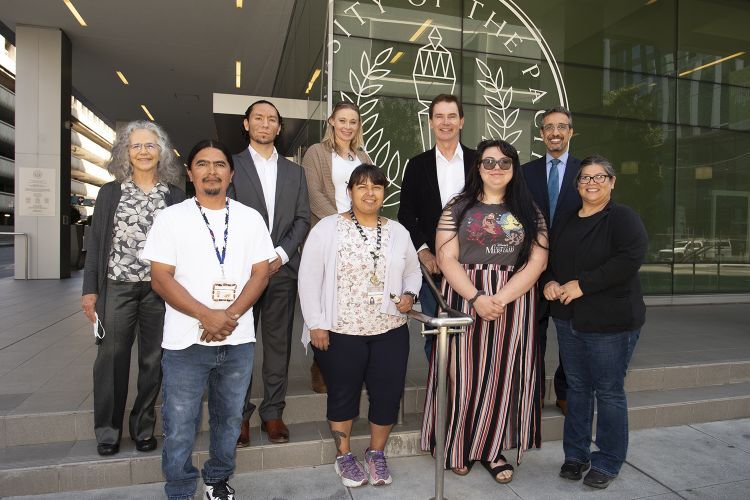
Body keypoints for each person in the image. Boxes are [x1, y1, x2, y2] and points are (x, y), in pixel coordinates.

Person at [143, 140, 275, 500]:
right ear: (190, 173)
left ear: (231, 175)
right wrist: (206, 315)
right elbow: (161, 278)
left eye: (219, 165)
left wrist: (228, 316)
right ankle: (182, 488)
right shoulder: (171, 218)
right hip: (185, 342)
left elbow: (260, 274)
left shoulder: (250, 218)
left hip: (237, 339)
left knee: (230, 420)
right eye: (202, 164)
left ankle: (217, 479)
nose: (211, 171)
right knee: (180, 424)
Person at [421, 139, 547, 484]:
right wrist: (477, 297)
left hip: (513, 300)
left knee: (501, 375)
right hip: (463, 297)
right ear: (478, 168)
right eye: (488, 162)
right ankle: (457, 444)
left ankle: (492, 449)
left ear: (513, 168)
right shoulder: (457, 207)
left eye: (504, 163)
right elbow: (446, 257)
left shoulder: (529, 210)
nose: (495, 168)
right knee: (461, 375)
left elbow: (538, 261)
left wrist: (501, 297)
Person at [298, 164, 421, 488]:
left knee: (387, 394)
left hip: (389, 330)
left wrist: (409, 295)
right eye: (362, 186)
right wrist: (316, 324)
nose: (370, 192)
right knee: (342, 394)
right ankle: (344, 455)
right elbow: (309, 279)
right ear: (349, 192)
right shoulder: (327, 228)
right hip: (340, 331)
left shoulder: (398, 231)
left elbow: (413, 272)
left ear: (384, 192)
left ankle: (376, 453)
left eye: (377, 187)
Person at [542, 155, 647, 490]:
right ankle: (576, 455)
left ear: (612, 182)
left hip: (610, 323)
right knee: (578, 388)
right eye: (584, 178)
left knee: (609, 392)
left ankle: (608, 459)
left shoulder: (622, 218)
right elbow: (554, 260)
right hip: (569, 319)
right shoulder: (568, 220)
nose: (591, 183)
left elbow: (629, 260)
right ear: (577, 185)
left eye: (599, 177)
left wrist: (582, 284)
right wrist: (550, 281)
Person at [81, 120, 185, 456]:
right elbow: (96, 245)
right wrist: (90, 291)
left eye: (150, 146)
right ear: (126, 152)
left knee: (153, 361)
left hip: (160, 290)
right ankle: (108, 431)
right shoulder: (110, 193)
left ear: (161, 153)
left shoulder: (174, 196)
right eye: (136, 146)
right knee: (111, 359)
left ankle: (143, 427)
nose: (143, 152)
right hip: (118, 287)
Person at [230, 100, 310, 446]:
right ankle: (239, 415)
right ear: (247, 124)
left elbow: (303, 219)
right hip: (242, 272)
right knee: (241, 344)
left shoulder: (296, 172)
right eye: (258, 118)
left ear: (280, 128)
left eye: (272, 119)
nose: (265, 124)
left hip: (281, 269)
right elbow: (226, 215)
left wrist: (279, 254)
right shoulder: (230, 165)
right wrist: (255, 258)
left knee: (278, 345)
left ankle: (273, 412)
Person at [301, 101, 372, 393]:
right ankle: (320, 362)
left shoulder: (363, 156)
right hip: (328, 234)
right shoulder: (317, 153)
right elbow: (313, 192)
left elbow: (370, 193)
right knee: (323, 299)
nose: (347, 126)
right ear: (331, 121)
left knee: (350, 303)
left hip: (359, 239)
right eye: (342, 120)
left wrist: (363, 228)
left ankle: (348, 362)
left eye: (352, 121)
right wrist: (342, 224)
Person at [398, 94, 476, 359]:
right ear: (431, 122)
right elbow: (406, 215)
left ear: (461, 121)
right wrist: (423, 252)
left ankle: (466, 395)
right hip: (433, 269)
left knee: (472, 334)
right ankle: (438, 396)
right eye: (439, 116)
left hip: (474, 267)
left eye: (452, 116)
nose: (446, 122)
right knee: (436, 336)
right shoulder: (417, 165)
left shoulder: (479, 164)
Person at [522, 106, 581, 415]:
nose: (555, 132)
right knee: (533, 338)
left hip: (571, 271)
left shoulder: (586, 172)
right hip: (532, 268)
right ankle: (530, 396)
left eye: (561, 126)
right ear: (542, 133)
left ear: (570, 132)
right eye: (549, 127)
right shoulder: (525, 172)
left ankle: (565, 390)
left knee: (570, 337)